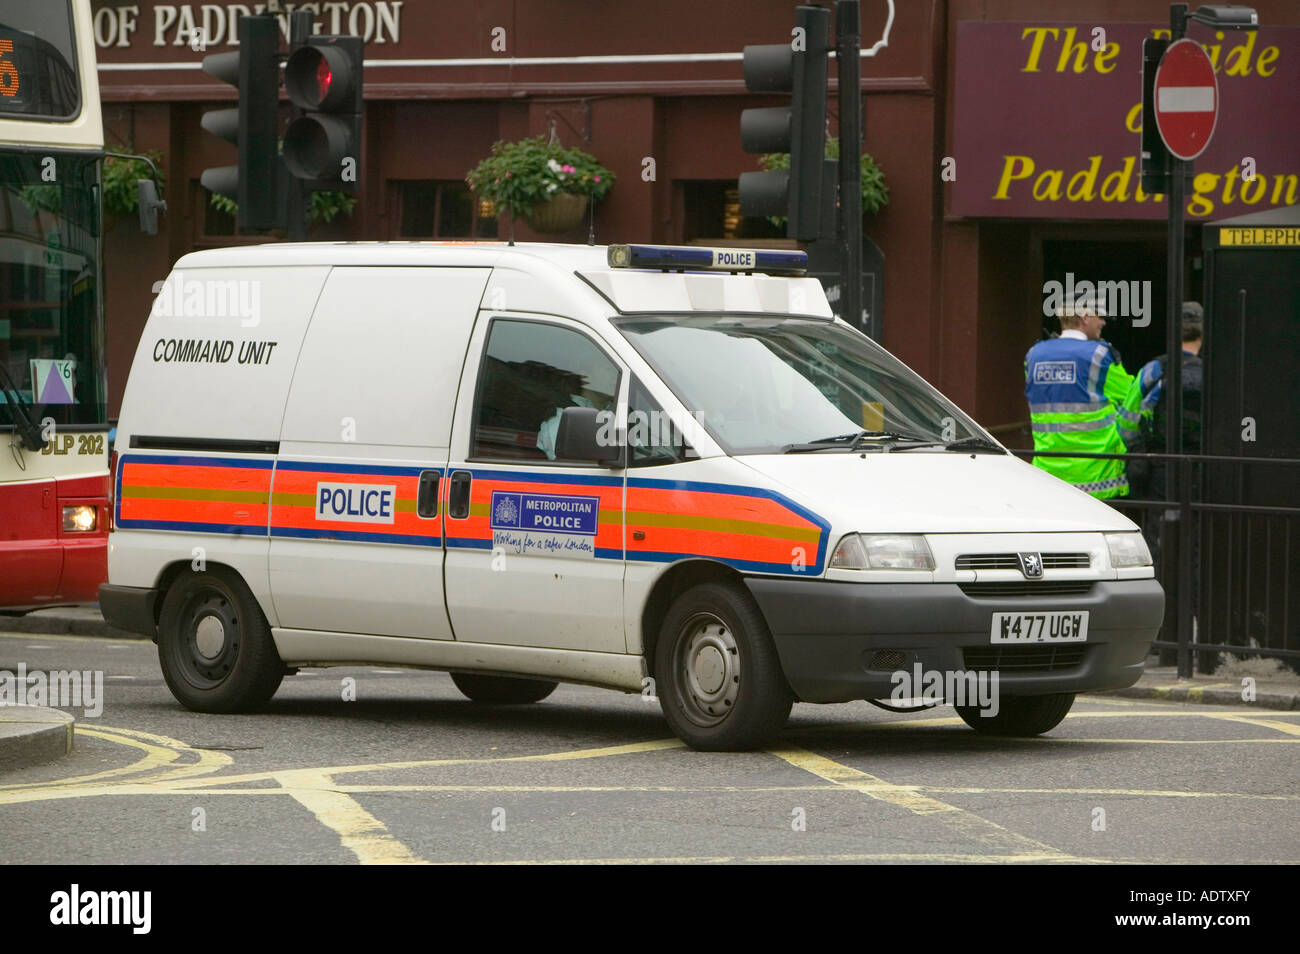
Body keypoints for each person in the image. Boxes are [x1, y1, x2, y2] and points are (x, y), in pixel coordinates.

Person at [1024, 289, 1135, 499]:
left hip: (1048, 475)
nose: (1103, 322)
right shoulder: (1100, 356)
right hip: (1096, 478)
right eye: (1099, 315)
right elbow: (1132, 399)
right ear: (1085, 317)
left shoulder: (1033, 355)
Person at [1121, 302, 1204, 500]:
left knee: (1161, 518)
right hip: (1201, 469)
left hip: (1159, 467)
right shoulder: (1211, 371)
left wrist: (1139, 450)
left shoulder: (1154, 369)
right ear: (1202, 333)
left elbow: (1126, 422)